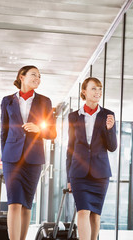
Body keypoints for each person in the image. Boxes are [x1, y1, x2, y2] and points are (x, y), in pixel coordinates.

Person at [0, 65, 57, 240]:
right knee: (14, 203)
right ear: (22, 77)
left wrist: (39, 128)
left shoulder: (45, 101)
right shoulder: (7, 101)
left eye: (39, 76)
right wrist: (5, 157)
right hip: (11, 158)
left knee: (26, 204)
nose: (37, 79)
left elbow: (52, 133)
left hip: (34, 159)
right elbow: (4, 131)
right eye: (34, 75)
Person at [66, 77, 117, 240]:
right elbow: (70, 148)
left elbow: (112, 147)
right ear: (84, 91)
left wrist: (109, 129)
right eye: (94, 88)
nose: (98, 92)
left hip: (100, 173)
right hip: (78, 174)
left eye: (100, 89)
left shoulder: (108, 115)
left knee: (95, 215)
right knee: (82, 210)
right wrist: (68, 177)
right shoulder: (74, 116)